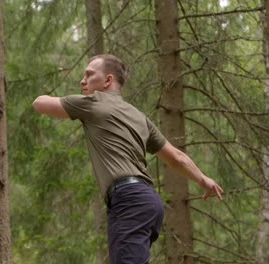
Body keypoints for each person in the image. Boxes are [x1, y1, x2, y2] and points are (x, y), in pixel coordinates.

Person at [32, 54, 224, 264]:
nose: (82, 80)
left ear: (108, 80)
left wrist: (67, 100)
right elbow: (176, 157)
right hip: (148, 202)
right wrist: (203, 179)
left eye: (89, 74)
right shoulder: (139, 117)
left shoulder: (92, 104)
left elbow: (39, 103)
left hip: (128, 200)